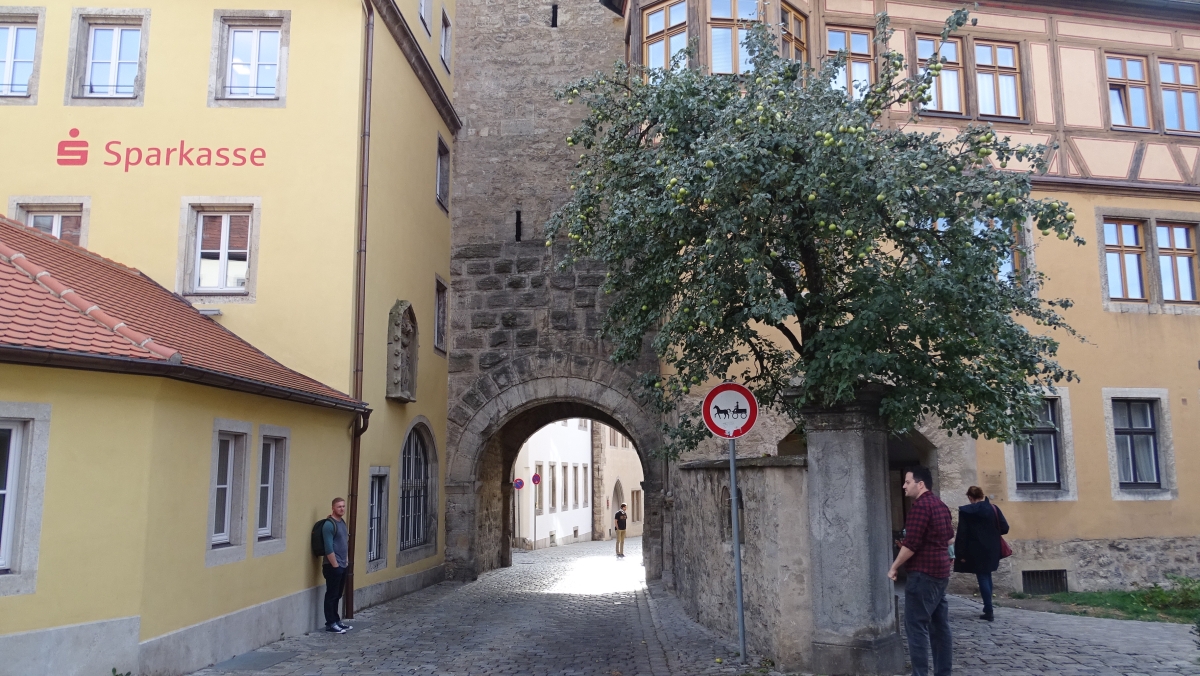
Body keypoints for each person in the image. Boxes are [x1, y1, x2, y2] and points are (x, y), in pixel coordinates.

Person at [888, 467, 954, 676]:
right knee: (940, 627)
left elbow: (912, 544)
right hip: (940, 572)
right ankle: (943, 672)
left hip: (923, 574)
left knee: (916, 627)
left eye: (908, 482)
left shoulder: (920, 507)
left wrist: (894, 566)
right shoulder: (940, 506)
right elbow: (949, 538)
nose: (904, 486)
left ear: (920, 484)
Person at [954, 486, 1009, 622]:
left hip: (974, 549)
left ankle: (989, 609)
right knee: (987, 575)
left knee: (983, 576)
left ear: (970, 498)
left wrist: (960, 554)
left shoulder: (966, 511)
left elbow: (962, 534)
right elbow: (1005, 528)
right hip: (992, 548)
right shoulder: (993, 508)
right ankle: (987, 607)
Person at [321, 497, 352, 633]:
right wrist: (335, 565)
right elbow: (328, 547)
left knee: (338, 594)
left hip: (342, 565)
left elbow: (344, 544)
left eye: (343, 506)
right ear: (333, 508)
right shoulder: (329, 525)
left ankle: (337, 620)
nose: (342, 509)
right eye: (339, 506)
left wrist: (345, 562)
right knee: (331, 595)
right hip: (332, 566)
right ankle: (330, 623)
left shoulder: (342, 522)